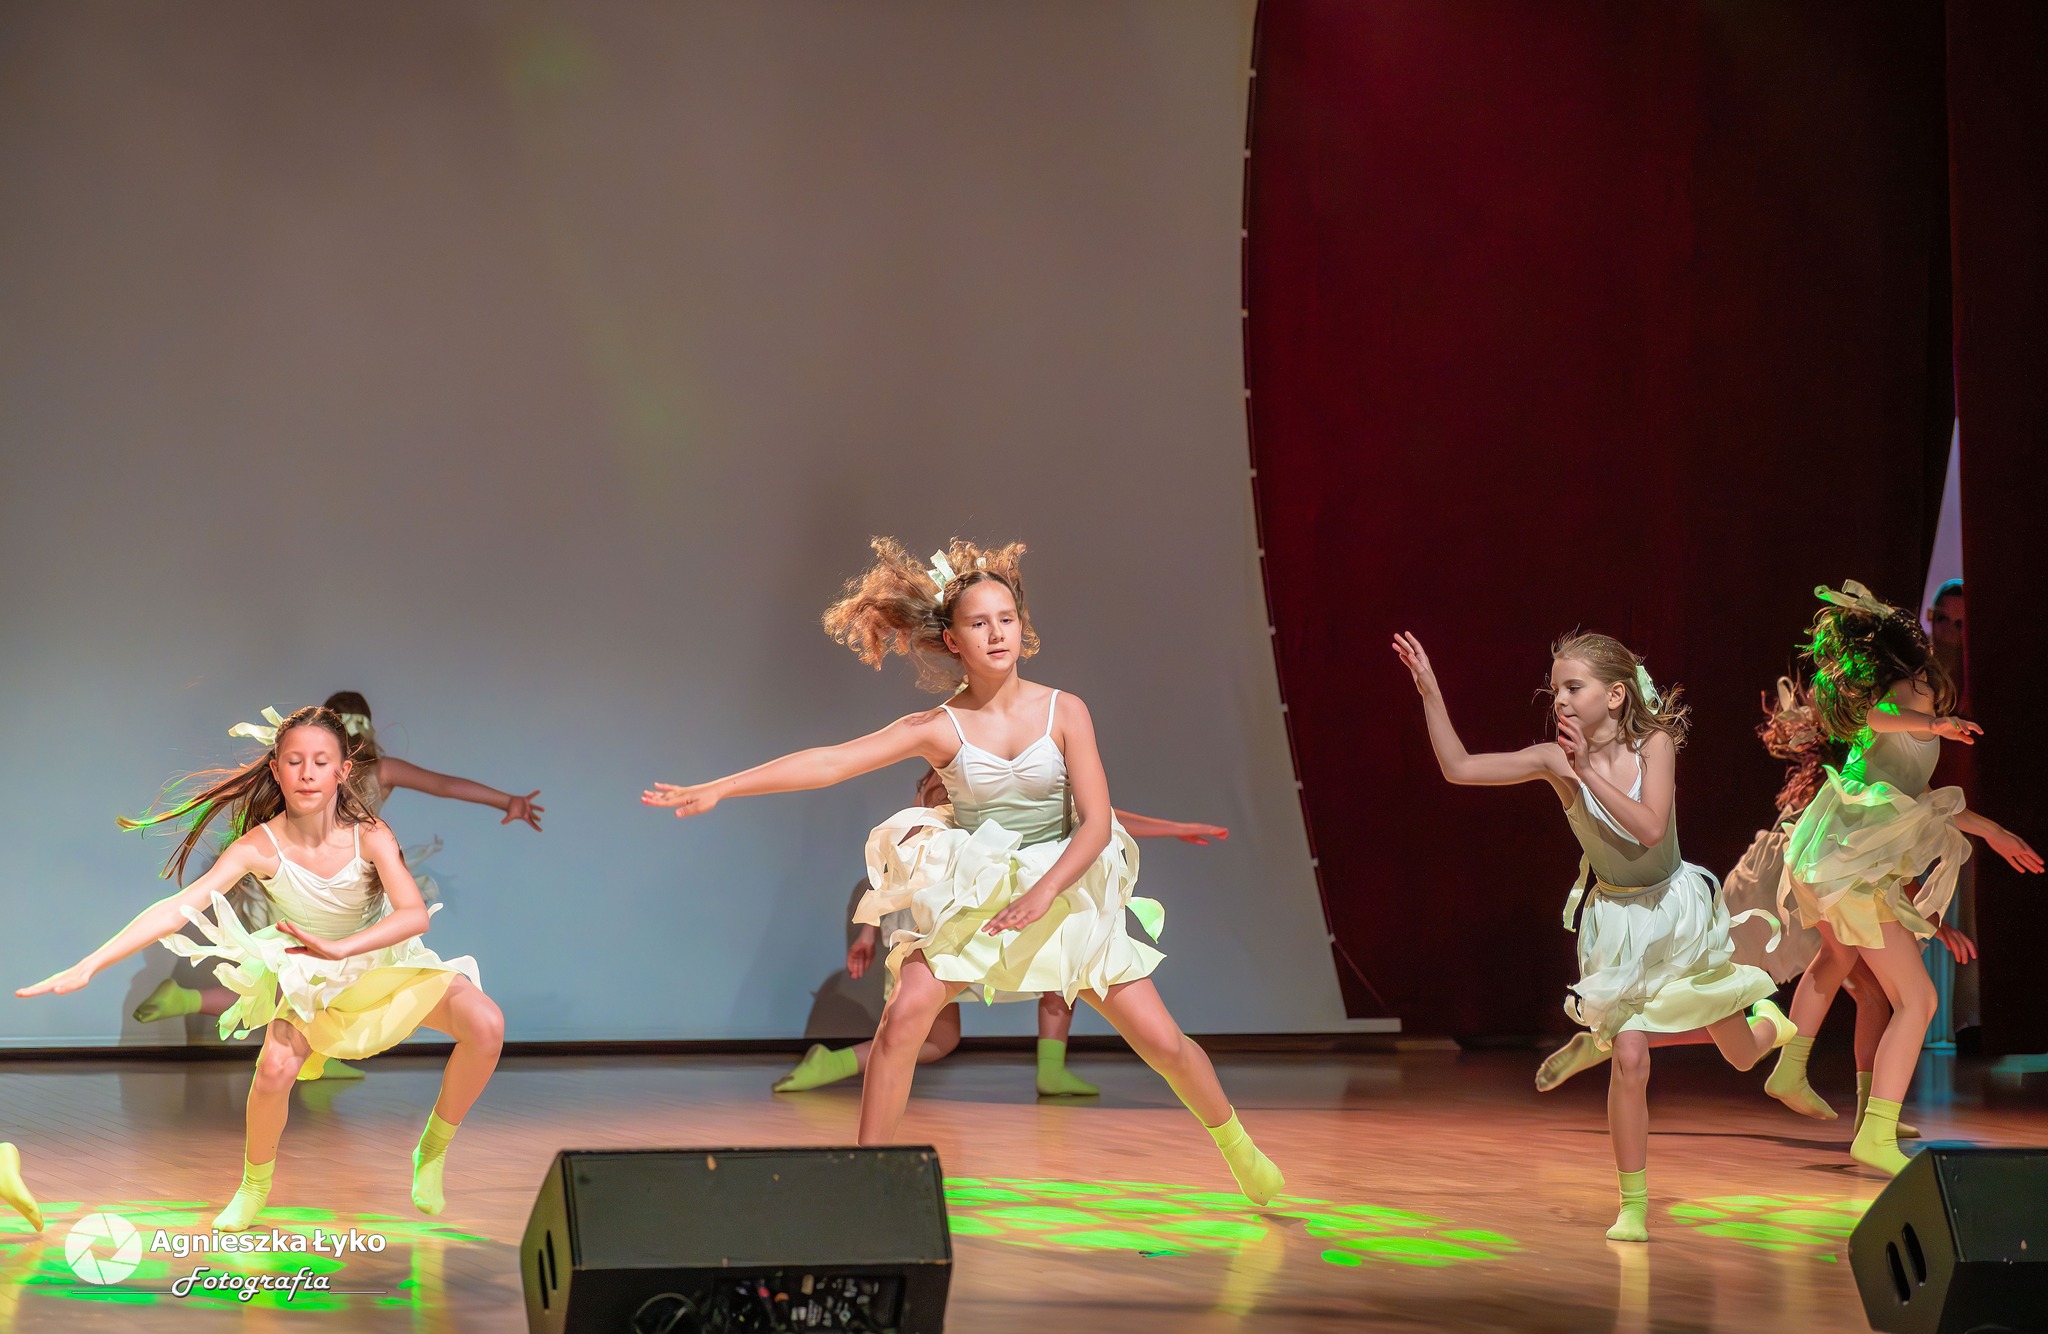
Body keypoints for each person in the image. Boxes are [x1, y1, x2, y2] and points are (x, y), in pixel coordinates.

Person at [644, 538, 1282, 1203]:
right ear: (953, 640)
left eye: (1006, 619)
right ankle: (867, 1182)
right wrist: (721, 786)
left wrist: (1045, 892)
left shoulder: (1066, 711)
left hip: (1066, 893)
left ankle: (1239, 1150)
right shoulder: (938, 727)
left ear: (1022, 627)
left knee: (1164, 1044)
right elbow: (831, 761)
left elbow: (1097, 823)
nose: (997, 633)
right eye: (980, 623)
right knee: (902, 1019)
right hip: (982, 897)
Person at [17, 706, 504, 1228]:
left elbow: (413, 916)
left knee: (486, 1024)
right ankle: (253, 1186)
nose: (307, 773)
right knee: (273, 1071)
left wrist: (343, 947)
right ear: (276, 768)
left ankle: (431, 1149)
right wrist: (90, 964)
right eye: (294, 761)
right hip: (316, 977)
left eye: (321, 762)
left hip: (383, 961)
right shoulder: (260, 847)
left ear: (343, 771)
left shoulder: (370, 835)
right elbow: (178, 908)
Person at [1395, 630, 1790, 1242]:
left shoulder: (1654, 745)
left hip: (1677, 914)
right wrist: (1430, 692)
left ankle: (1768, 1019)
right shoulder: (1556, 761)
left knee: (1741, 1054)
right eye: (1555, 689)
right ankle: (1632, 1205)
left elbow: (1650, 829)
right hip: (1618, 924)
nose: (1559, 699)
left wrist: (1586, 773)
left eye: (1573, 687)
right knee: (1630, 1057)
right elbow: (1459, 768)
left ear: (1615, 695)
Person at [1768, 582, 2039, 1174]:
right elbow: (1879, 715)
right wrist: (1934, 724)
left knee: (1885, 988)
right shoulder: (1905, 694)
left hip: (1850, 863)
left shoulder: (1917, 705)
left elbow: (1925, 799)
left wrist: (1994, 832)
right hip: (1849, 862)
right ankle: (1870, 1130)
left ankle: (1823, 1089)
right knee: (1914, 998)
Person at [774, 764, 1230, 1096]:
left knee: (1065, 967)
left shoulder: (1016, 780)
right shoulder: (950, 782)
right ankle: (833, 1064)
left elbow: (1098, 817)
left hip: (987, 903)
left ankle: (1050, 1070)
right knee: (939, 1037)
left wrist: (1175, 827)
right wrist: (868, 932)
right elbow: (901, 861)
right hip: (950, 910)